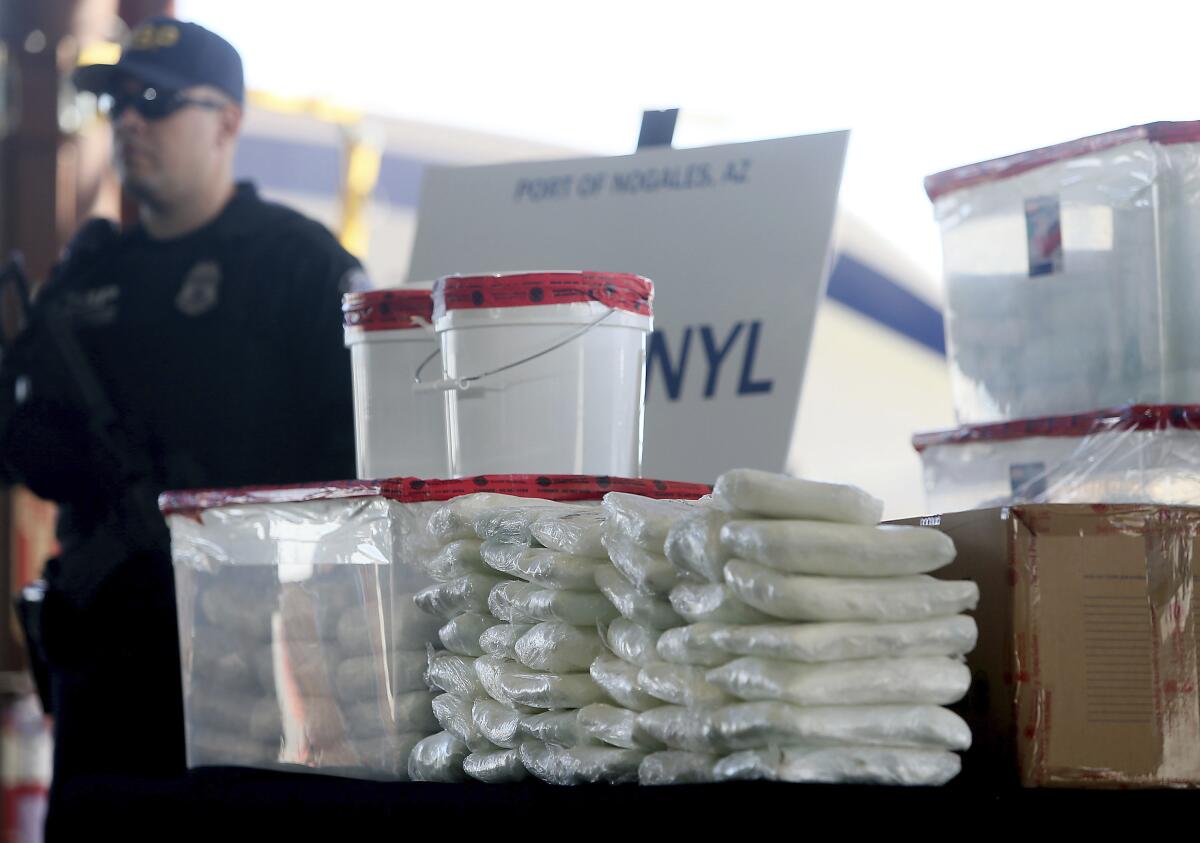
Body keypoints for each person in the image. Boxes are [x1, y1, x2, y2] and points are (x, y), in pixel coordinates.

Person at [0, 16, 361, 801]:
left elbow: (358, 462)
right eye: (117, 101)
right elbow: (23, 443)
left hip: (252, 657)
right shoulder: (88, 275)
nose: (130, 119)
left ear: (227, 121)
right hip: (102, 660)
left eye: (157, 101)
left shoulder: (297, 266)